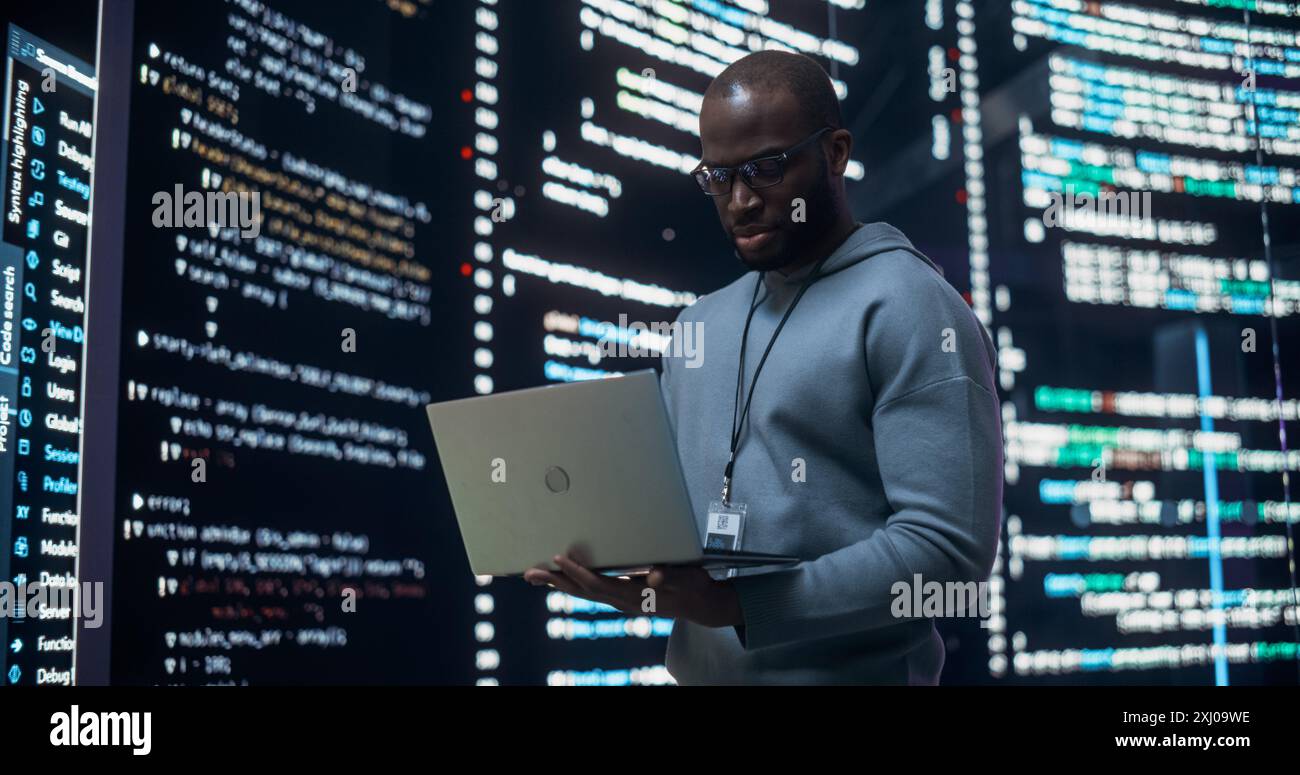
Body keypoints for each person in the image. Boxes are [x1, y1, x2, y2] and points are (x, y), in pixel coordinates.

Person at [524, 50, 1003, 685]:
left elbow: (947, 554)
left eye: (767, 169)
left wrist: (740, 606)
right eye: (718, 177)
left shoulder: (915, 307)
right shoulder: (698, 325)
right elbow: (676, 528)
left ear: (835, 153)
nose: (741, 200)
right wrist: (618, 563)